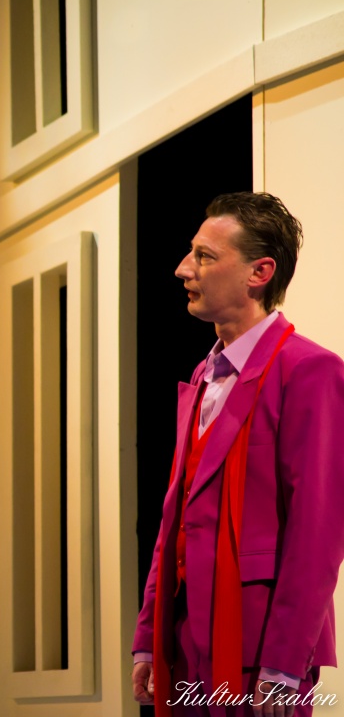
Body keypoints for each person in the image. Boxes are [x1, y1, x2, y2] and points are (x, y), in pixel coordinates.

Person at [131, 192, 344, 716]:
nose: (184, 269)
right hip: (185, 642)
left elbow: (317, 531)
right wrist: (149, 636)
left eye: (205, 256)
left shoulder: (309, 370)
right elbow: (174, 518)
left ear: (259, 272)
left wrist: (284, 663)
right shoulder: (204, 375)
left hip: (258, 645)